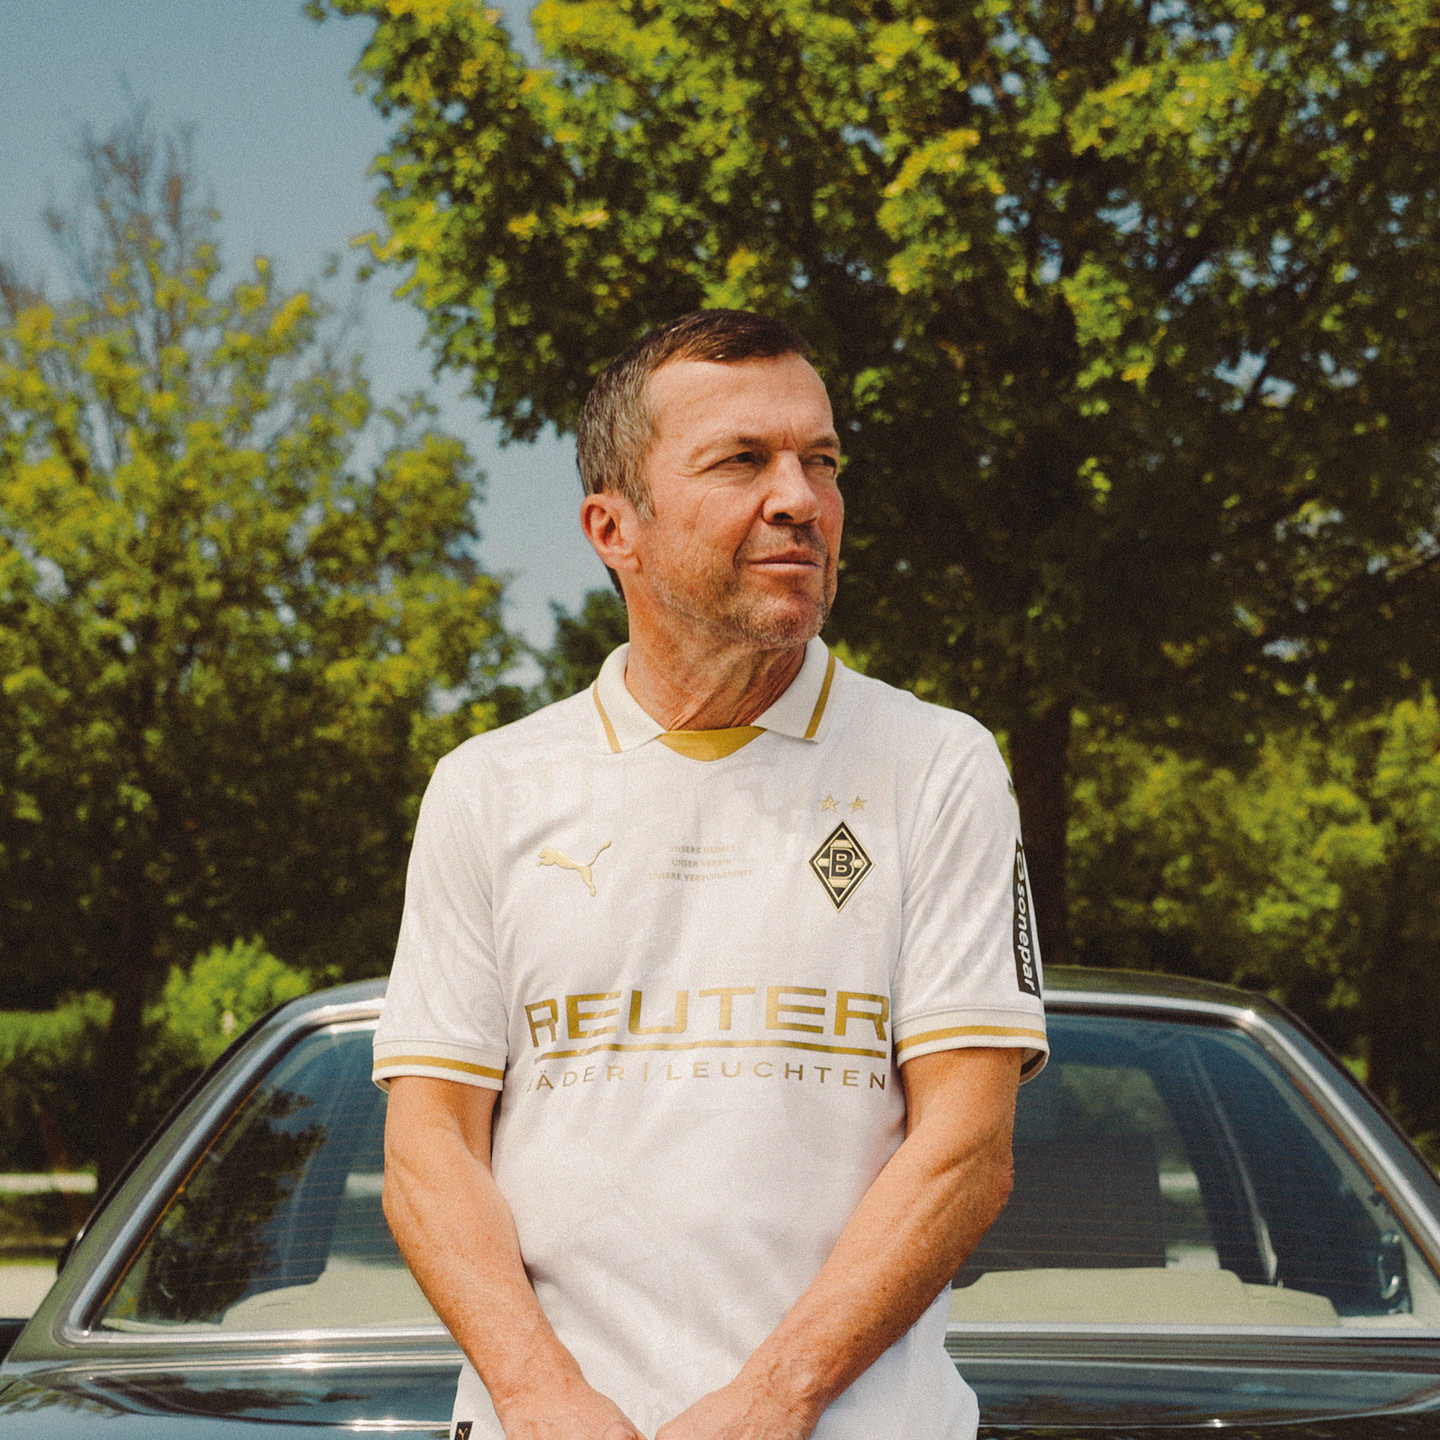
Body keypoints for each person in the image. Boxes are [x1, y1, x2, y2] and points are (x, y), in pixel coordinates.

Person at [373, 309, 1048, 1440]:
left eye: (821, 461)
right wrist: (541, 1400)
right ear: (614, 527)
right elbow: (428, 1149)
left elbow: (966, 1150)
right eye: (742, 461)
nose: (800, 499)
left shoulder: (937, 766)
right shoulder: (489, 789)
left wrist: (774, 1401)